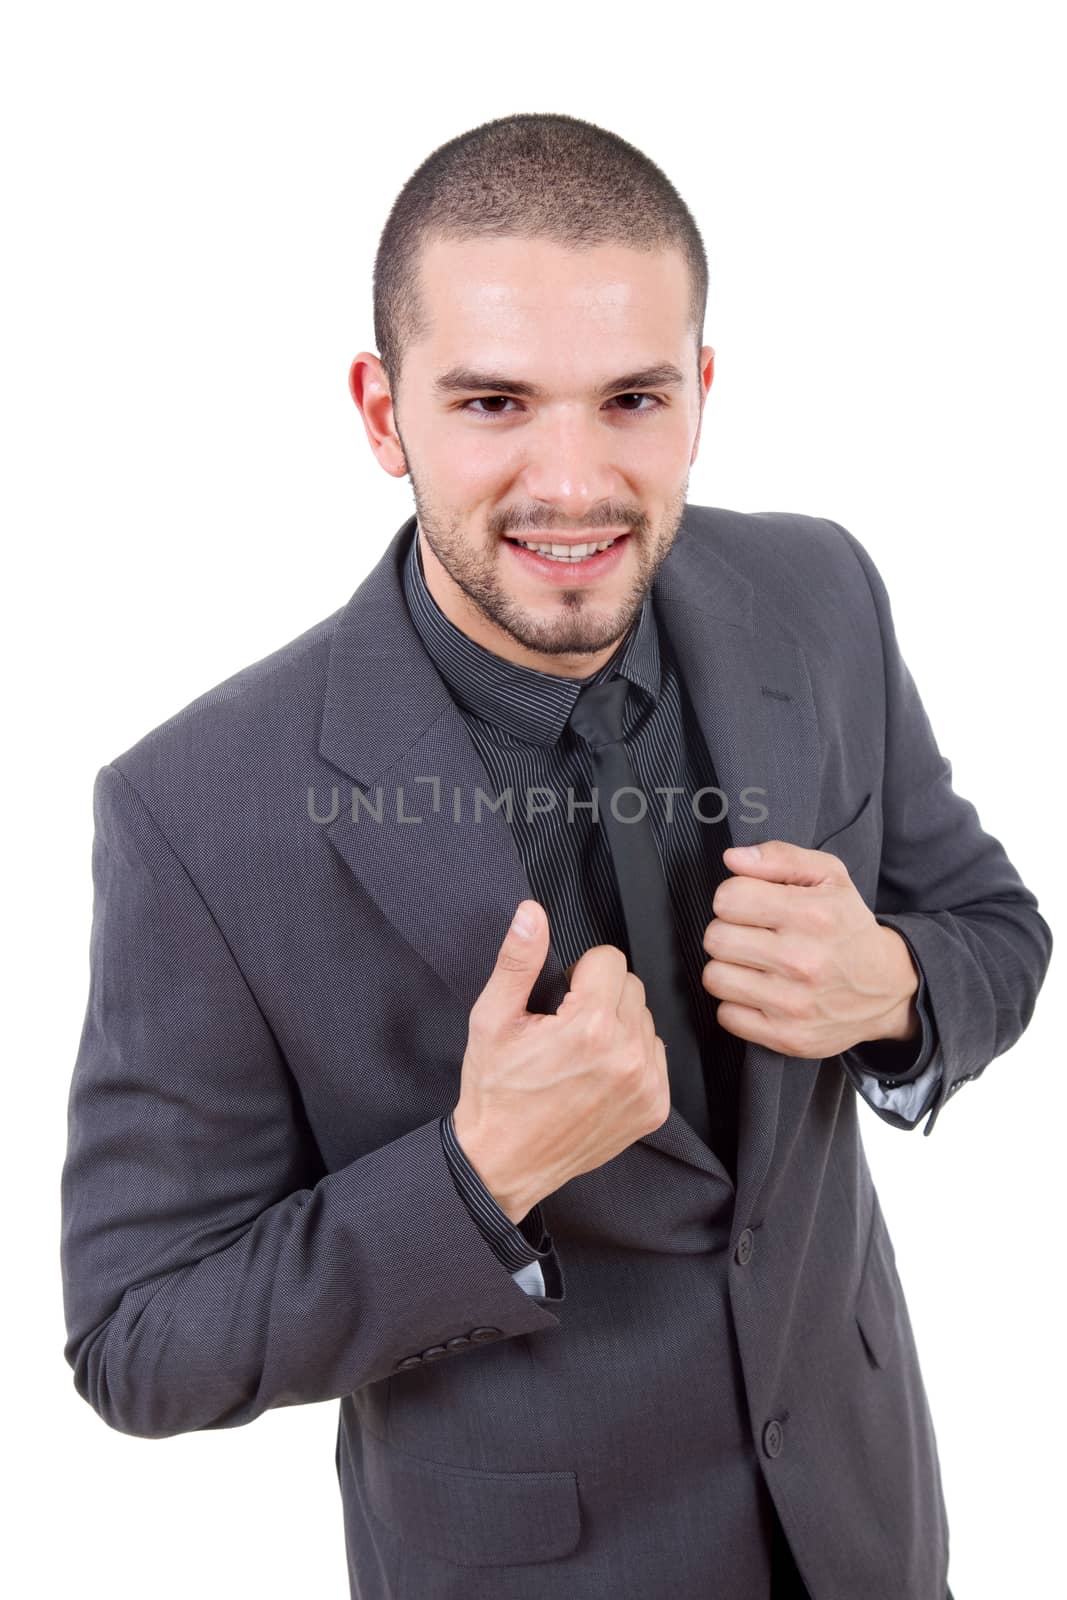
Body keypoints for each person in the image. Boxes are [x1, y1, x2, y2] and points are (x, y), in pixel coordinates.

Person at [60, 112, 1051, 1600]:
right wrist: (475, 1178)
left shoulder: (821, 590)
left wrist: (897, 987)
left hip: (866, 1524)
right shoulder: (193, 810)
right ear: (383, 414)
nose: (575, 484)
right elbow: (136, 1335)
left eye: (633, 399)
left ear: (701, 394)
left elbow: (995, 924)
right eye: (496, 403)